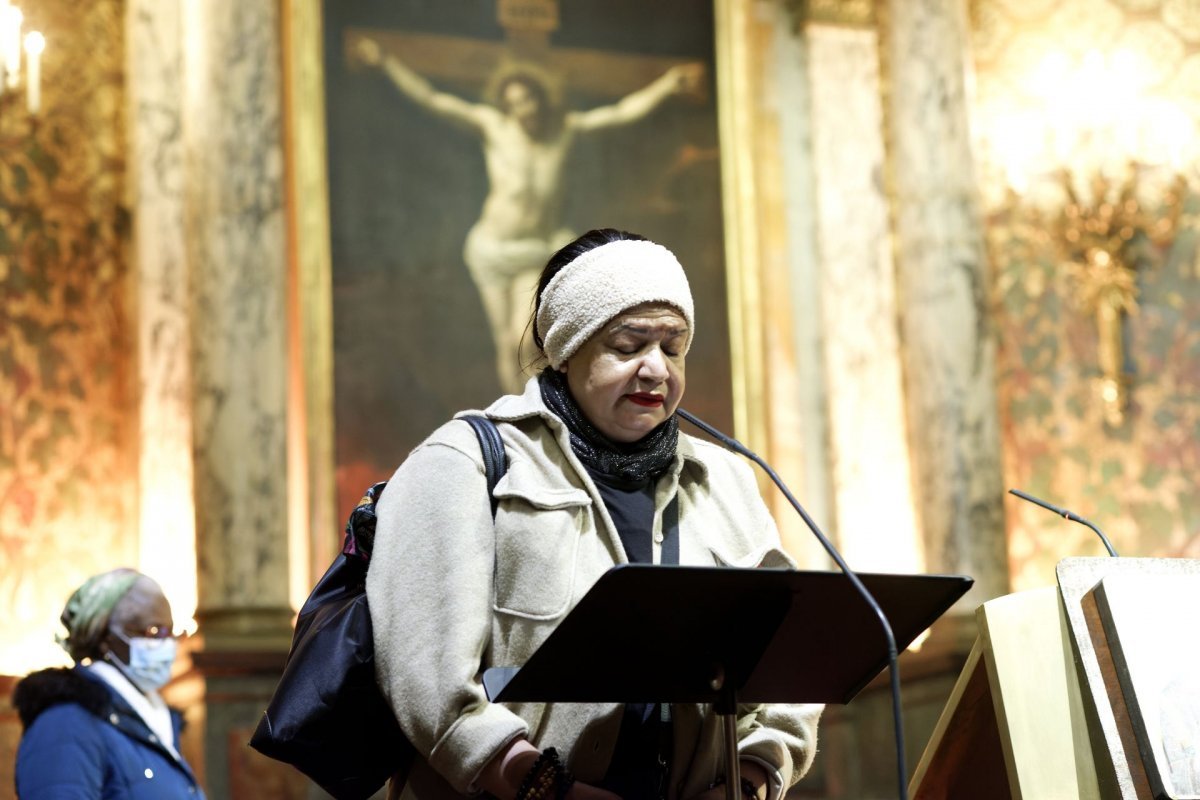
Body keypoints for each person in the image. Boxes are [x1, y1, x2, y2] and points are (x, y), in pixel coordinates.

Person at [366, 228, 822, 800]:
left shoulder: (726, 478)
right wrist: (542, 788)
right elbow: (426, 686)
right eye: (629, 346)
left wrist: (750, 780)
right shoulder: (464, 464)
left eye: (673, 348)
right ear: (565, 347)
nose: (657, 370)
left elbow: (786, 678)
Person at [353, 38, 704, 393]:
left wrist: (666, 85)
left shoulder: (562, 130)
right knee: (504, 342)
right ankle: (515, 416)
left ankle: (535, 409)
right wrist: (386, 61)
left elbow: (620, 113)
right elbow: (432, 99)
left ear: (540, 98)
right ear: (506, 105)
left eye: (528, 99)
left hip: (535, 249)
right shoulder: (493, 126)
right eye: (514, 103)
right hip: (492, 248)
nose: (523, 109)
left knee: (524, 343)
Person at [13, 568, 206, 799]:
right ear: (106, 639)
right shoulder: (65, 724)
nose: (167, 644)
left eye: (171, 632)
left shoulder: (152, 720)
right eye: (153, 631)